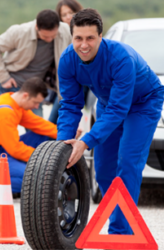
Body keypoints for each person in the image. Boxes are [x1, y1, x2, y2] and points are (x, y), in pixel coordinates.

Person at [57, 8, 164, 235]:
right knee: (104, 169)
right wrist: (63, 145)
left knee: (128, 161)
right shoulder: (67, 60)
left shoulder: (120, 57)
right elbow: (70, 105)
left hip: (143, 104)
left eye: (90, 38)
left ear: (100, 37)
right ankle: (120, 214)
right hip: (108, 103)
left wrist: (85, 141)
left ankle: (120, 232)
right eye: (78, 38)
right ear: (71, 37)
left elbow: (119, 109)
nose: (83, 45)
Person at [0, 77, 57, 194]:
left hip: (1, 148)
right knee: (31, 180)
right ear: (25, 96)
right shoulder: (5, 112)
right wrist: (42, 159)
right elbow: (15, 149)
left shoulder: (14, 102)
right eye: (36, 102)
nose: (37, 107)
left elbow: (39, 124)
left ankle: (16, 169)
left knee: (43, 135)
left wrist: (66, 133)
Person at [0, 9, 72, 117]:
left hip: (35, 90)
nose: (50, 39)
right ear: (37, 27)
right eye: (45, 36)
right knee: (3, 123)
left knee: (37, 130)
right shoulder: (19, 31)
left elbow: (74, 54)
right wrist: (4, 78)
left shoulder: (65, 31)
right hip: (11, 85)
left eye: (53, 36)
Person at [48, 0, 84, 124]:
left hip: (81, 82)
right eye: (64, 15)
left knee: (58, 120)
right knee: (56, 121)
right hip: (64, 84)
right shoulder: (58, 33)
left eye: (71, 12)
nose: (68, 17)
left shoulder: (87, 31)